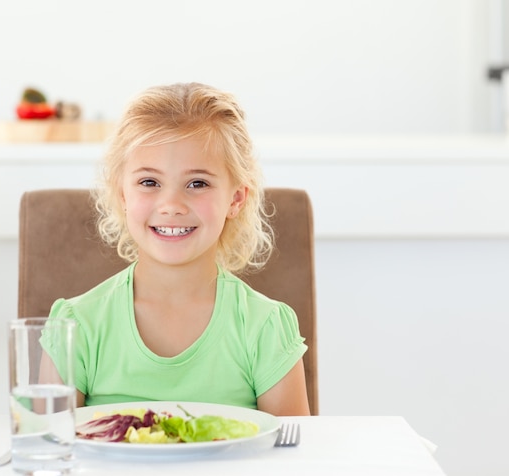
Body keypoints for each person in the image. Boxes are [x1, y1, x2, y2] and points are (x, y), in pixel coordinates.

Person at [42, 82, 310, 416]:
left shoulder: (266, 327)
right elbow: (50, 453)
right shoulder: (75, 325)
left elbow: (293, 458)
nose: (171, 205)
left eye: (197, 183)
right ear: (123, 195)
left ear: (236, 198)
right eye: (149, 182)